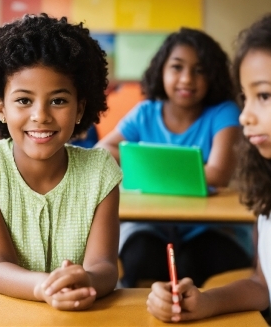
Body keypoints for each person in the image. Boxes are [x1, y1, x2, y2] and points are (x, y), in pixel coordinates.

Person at [0, 14, 122, 311]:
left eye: (58, 100)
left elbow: (106, 268)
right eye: (23, 100)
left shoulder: (100, 171)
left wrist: (86, 280)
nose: (41, 115)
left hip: (77, 312)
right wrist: (48, 288)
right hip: (2, 311)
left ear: (80, 108)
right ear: (1, 108)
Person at [96, 27, 252, 288]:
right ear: (161, 70)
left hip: (211, 227)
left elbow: (218, 174)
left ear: (213, 75)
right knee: (140, 257)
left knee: (195, 263)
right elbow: (102, 151)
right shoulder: (145, 112)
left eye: (199, 70)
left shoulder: (224, 112)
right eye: (177, 67)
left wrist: (144, 162)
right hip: (150, 224)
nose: (187, 79)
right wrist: (181, 169)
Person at [147, 13, 271, 323]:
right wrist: (204, 302)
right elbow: (262, 286)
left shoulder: (221, 115)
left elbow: (216, 172)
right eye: (247, 97)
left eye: (264, 96)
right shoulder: (266, 198)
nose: (244, 116)